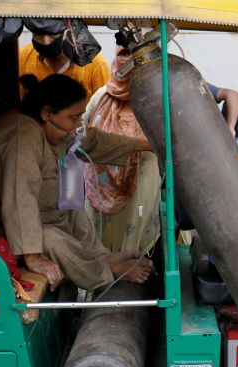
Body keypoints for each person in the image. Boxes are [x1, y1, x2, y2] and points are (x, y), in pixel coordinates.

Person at [0, 74, 152, 292]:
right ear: (46, 113)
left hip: (14, 225)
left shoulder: (50, 126)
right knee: (52, 239)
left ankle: (101, 257)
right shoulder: (22, 134)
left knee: (73, 207)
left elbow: (91, 141)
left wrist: (148, 144)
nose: (78, 125)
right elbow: (20, 197)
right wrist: (33, 257)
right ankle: (105, 273)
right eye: (74, 118)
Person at [82, 46, 161, 254]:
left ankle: (131, 268)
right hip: (99, 188)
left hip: (142, 185)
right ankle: (100, 273)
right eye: (123, 53)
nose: (128, 61)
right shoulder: (100, 97)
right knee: (97, 243)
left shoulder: (158, 99)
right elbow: (80, 138)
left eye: (135, 55)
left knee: (135, 231)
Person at [19, 33, 110, 103]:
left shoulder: (96, 64)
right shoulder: (23, 56)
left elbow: (102, 112)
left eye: (52, 34)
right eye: (38, 34)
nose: (45, 41)